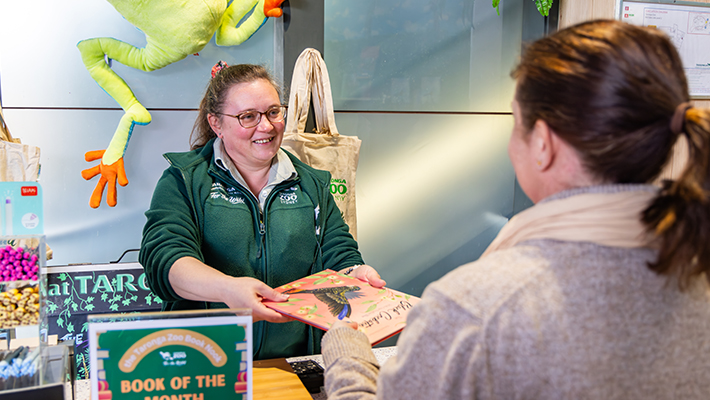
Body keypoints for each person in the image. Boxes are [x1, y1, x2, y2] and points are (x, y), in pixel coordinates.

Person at [321, 19, 710, 399]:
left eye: (515, 120)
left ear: (542, 143)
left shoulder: (477, 307)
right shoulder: (697, 274)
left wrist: (347, 356)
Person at [139, 62, 385, 360]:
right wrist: (227, 290)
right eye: (248, 117)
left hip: (296, 362)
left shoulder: (313, 183)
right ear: (216, 123)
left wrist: (355, 272)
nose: (266, 126)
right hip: (204, 361)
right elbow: (165, 262)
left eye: (272, 112)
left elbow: (338, 254)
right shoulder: (185, 179)